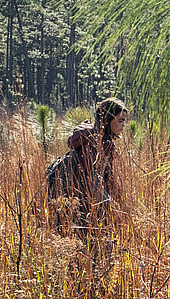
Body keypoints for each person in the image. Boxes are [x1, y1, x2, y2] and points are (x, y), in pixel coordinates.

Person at [46, 97, 128, 233]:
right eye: (120, 121)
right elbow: (93, 184)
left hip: (72, 202)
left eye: (124, 121)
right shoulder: (96, 143)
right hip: (75, 204)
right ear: (106, 120)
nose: (123, 125)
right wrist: (114, 208)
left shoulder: (100, 140)